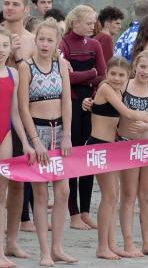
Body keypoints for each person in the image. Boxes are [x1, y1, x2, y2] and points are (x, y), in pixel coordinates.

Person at [79, 56, 148, 259]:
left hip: (111, 147)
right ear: (106, 73)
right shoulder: (106, 87)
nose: (116, 78)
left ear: (128, 75)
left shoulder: (118, 90)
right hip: (99, 146)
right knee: (109, 197)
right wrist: (143, 116)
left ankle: (111, 244)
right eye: (113, 74)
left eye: (121, 75)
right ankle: (102, 246)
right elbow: (126, 113)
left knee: (112, 197)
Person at [18, 19, 76, 266]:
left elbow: (67, 101)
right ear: (35, 39)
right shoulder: (25, 67)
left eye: (50, 40)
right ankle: (44, 251)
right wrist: (33, 141)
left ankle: (57, 247)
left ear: (56, 42)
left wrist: (67, 135)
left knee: (63, 191)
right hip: (38, 130)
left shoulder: (60, 64)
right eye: (41, 39)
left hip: (59, 131)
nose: (44, 44)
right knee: (40, 194)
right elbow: (22, 107)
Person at [58, 5, 106, 231]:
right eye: (88, 22)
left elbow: (103, 76)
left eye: (93, 22)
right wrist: (90, 75)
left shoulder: (95, 44)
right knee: (72, 157)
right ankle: (73, 213)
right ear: (75, 22)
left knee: (89, 156)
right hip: (72, 104)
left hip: (90, 104)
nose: (92, 26)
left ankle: (85, 211)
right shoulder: (64, 43)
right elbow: (65, 77)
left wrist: (88, 81)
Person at [117, 50, 148, 257]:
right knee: (128, 195)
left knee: (147, 196)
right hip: (127, 145)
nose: (145, 71)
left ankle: (147, 242)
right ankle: (128, 242)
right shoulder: (124, 85)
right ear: (135, 65)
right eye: (142, 67)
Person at [0, 27, 31, 268]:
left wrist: (27, 143)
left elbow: (16, 113)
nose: (1, 51)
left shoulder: (13, 73)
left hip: (6, 136)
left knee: (2, 196)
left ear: (11, 49)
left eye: (4, 46)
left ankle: (1, 252)